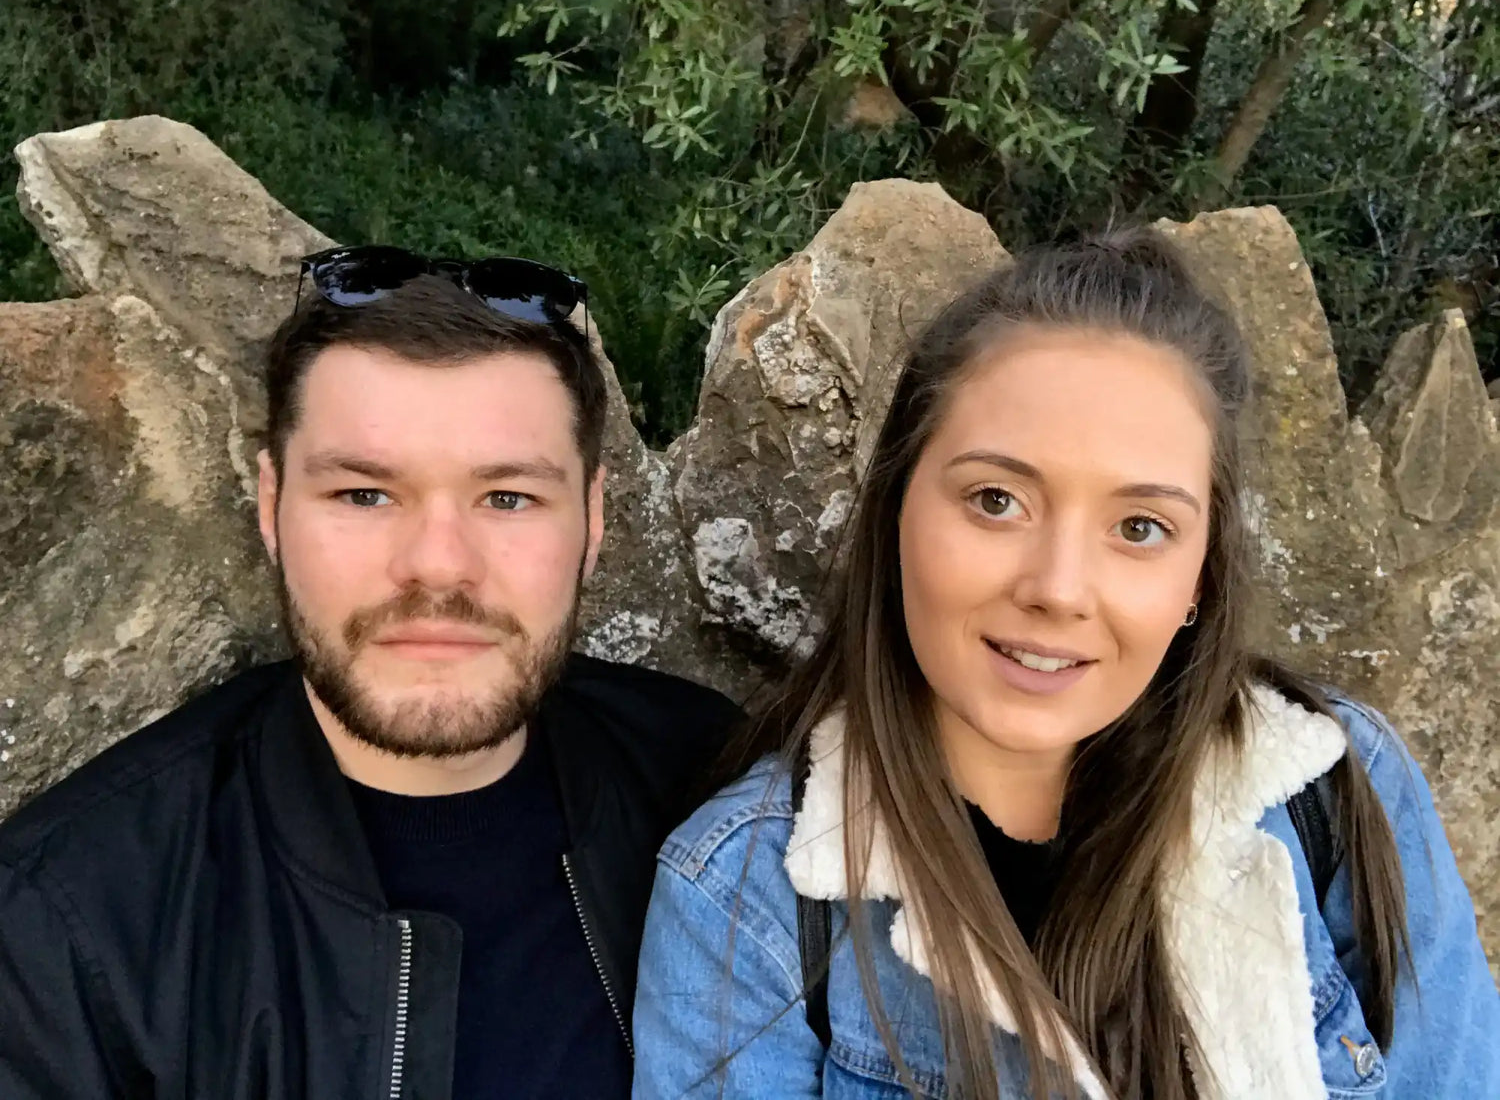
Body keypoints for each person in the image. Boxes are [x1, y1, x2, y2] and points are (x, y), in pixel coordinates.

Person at [631, 232, 1500, 1099]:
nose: (1059, 589)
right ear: (896, 510)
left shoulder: (1341, 787)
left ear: (1200, 574)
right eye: (996, 500)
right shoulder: (744, 901)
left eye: (1140, 527)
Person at [0, 246, 740, 1099]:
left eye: (507, 497)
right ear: (270, 506)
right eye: (364, 494)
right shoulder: (68, 931)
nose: (436, 566)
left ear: (594, 518)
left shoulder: (710, 784)